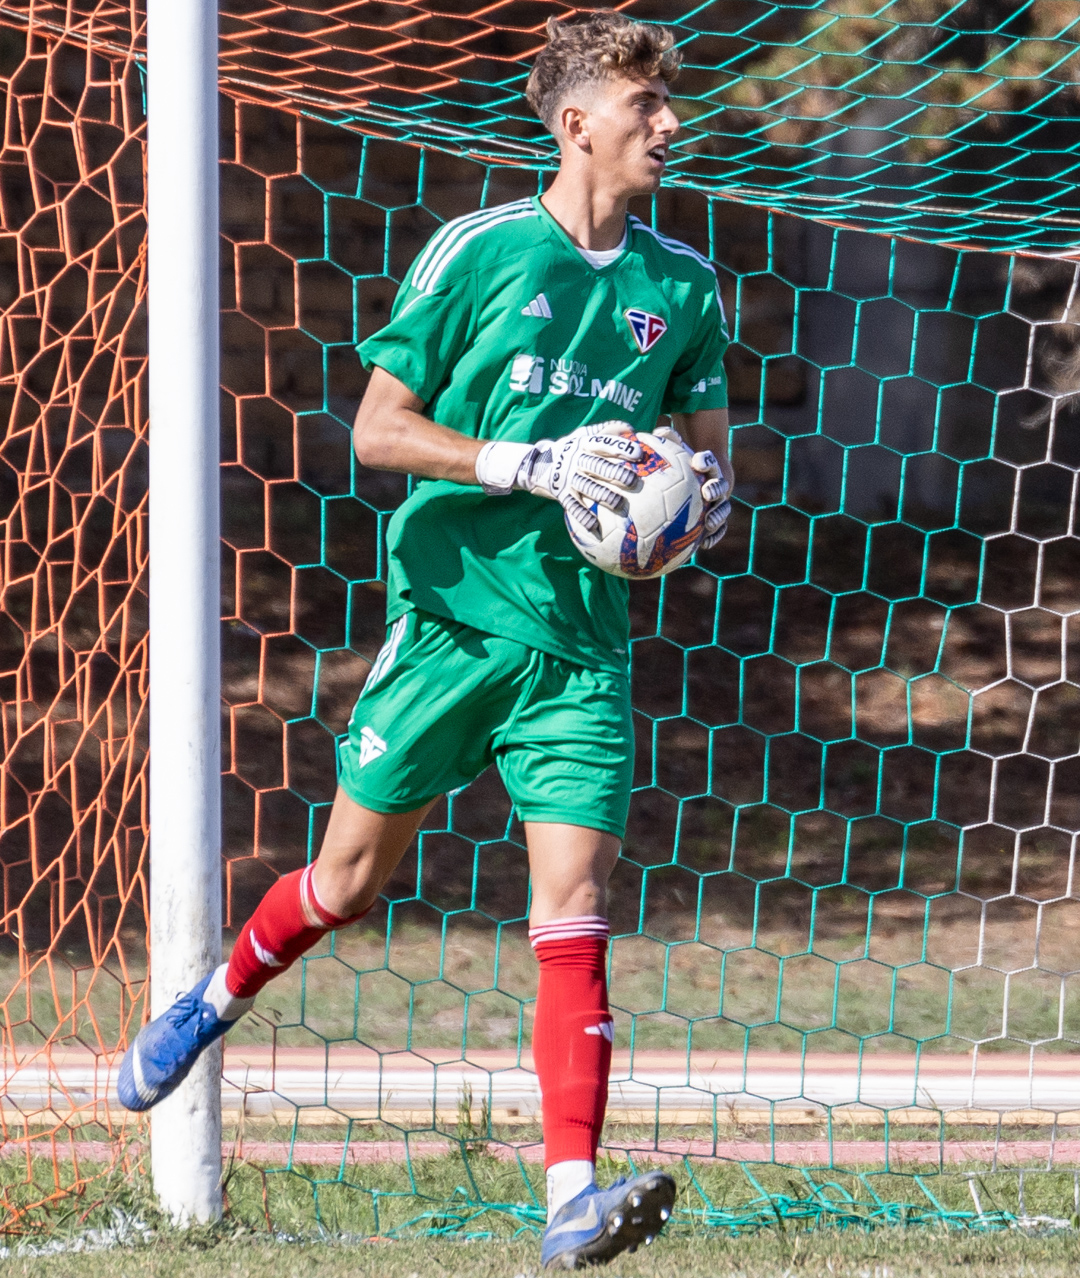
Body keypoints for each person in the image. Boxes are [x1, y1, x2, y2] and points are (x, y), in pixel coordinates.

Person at [119, 10, 733, 1269]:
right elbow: (378, 431)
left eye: (668, 107)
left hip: (579, 651)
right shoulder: (480, 254)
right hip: (450, 623)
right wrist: (529, 461)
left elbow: (710, 460)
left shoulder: (685, 287)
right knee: (347, 883)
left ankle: (571, 1199)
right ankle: (212, 1003)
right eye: (645, 108)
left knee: (575, 907)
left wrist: (692, 503)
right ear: (577, 126)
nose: (670, 125)